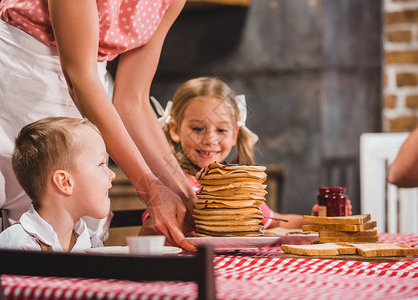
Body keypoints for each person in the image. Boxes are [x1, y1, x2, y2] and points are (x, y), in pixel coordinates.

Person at [0, 0, 196, 250]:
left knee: (78, 241)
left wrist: (185, 192)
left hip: (88, 101)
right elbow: (79, 79)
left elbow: (132, 101)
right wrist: (150, 188)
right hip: (7, 90)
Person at [140, 77, 352, 234]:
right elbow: (149, 229)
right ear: (175, 130)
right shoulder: (172, 184)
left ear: (235, 135)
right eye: (197, 129)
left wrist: (316, 220)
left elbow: (276, 220)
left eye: (221, 130)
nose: (210, 140)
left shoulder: (239, 188)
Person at [0, 117, 114, 252]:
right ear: (65, 182)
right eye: (101, 164)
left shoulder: (90, 241)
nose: (112, 174)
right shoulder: (18, 247)